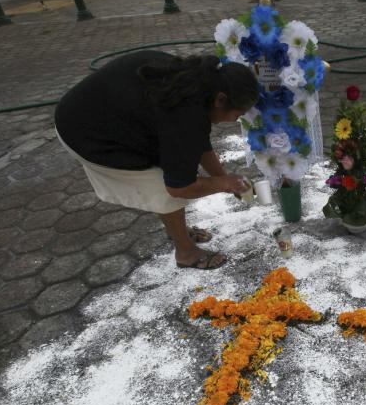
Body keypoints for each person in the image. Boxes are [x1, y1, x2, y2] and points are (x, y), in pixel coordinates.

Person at [55, 52, 258, 270]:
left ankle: (177, 230)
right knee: (161, 185)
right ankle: (186, 252)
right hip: (87, 135)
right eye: (238, 113)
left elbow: (197, 141)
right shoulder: (186, 114)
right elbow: (180, 187)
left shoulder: (196, 82)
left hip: (93, 113)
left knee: (172, 165)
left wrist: (222, 177)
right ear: (221, 100)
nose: (236, 120)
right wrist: (224, 184)